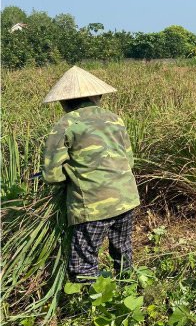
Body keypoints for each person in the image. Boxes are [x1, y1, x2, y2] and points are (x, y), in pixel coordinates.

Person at [41, 66, 140, 283]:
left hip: (93, 205)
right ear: (97, 96)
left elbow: (51, 175)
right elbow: (129, 160)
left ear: (63, 101)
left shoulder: (65, 124)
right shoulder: (114, 118)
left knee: (83, 262)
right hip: (126, 198)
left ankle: (88, 306)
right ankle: (127, 287)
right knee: (122, 249)